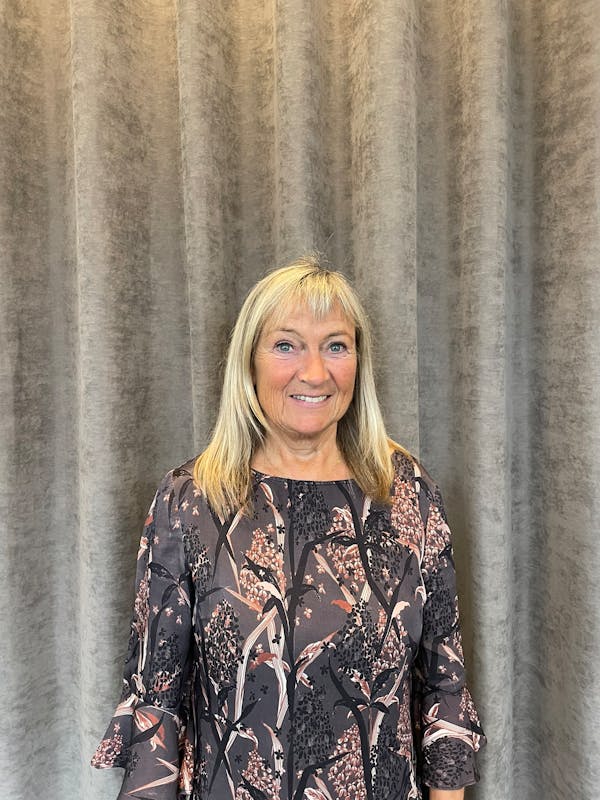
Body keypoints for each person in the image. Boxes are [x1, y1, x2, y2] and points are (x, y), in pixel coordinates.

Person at [92, 256, 486, 800]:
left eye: (336, 345)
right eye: (286, 345)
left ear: (358, 363)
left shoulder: (407, 494)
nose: (315, 372)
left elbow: (444, 687)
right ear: (248, 363)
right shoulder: (190, 501)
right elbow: (155, 709)